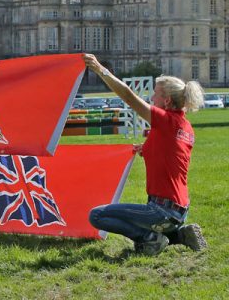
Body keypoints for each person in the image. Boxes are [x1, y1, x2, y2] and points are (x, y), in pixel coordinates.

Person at [83, 54, 207, 255]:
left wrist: (100, 70)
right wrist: (146, 148)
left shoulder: (165, 120)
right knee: (117, 214)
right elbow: (171, 152)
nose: (151, 98)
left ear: (166, 101)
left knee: (97, 215)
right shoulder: (184, 127)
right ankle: (179, 234)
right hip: (180, 209)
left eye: (155, 94)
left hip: (161, 210)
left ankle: (150, 239)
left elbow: (129, 96)